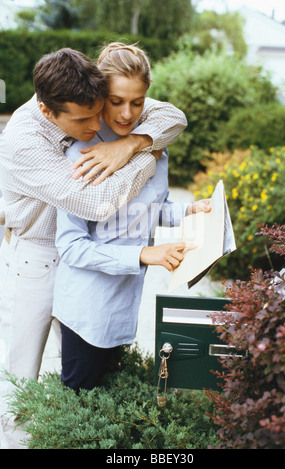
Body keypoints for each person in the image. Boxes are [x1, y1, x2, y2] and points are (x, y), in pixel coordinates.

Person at [0, 47, 187, 449]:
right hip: (36, 256)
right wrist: (145, 154)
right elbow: (94, 203)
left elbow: (173, 117)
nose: (97, 123)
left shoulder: (87, 91)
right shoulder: (24, 139)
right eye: (84, 119)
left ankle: (64, 432)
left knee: (79, 365)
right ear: (51, 114)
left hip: (82, 263)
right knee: (20, 375)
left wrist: (130, 142)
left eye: (98, 110)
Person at [52, 43, 211, 393]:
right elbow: (71, 247)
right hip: (85, 309)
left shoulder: (154, 147)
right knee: (81, 406)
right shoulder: (81, 154)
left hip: (124, 303)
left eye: (137, 102)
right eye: (116, 101)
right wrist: (143, 255)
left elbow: (153, 208)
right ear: (100, 95)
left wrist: (188, 209)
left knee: (108, 404)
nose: (127, 114)